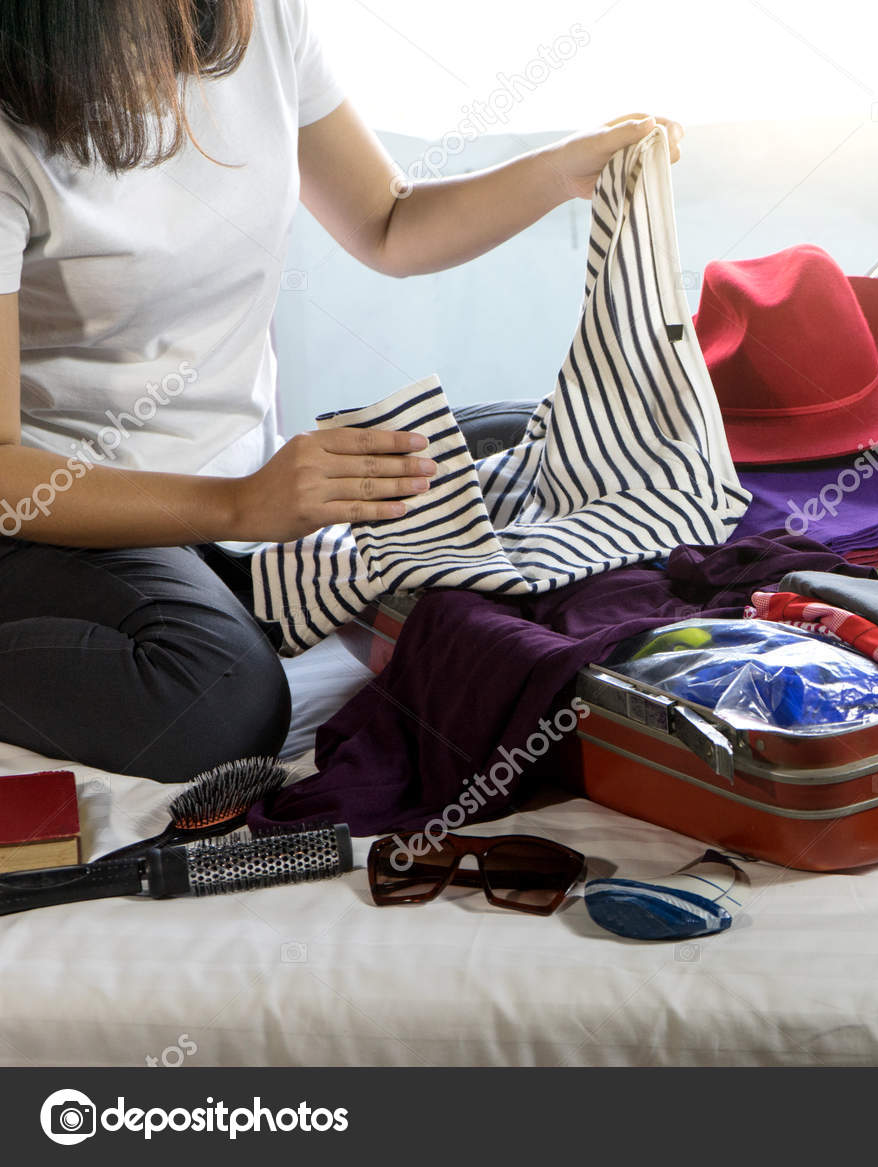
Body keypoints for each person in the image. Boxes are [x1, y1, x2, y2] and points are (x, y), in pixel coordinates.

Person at [0, 0, 682, 779]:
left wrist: (563, 170)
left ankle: (242, 577)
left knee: (554, 454)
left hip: (244, 498)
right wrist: (237, 506)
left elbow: (389, 224)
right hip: (62, 519)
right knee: (221, 698)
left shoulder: (258, 19)